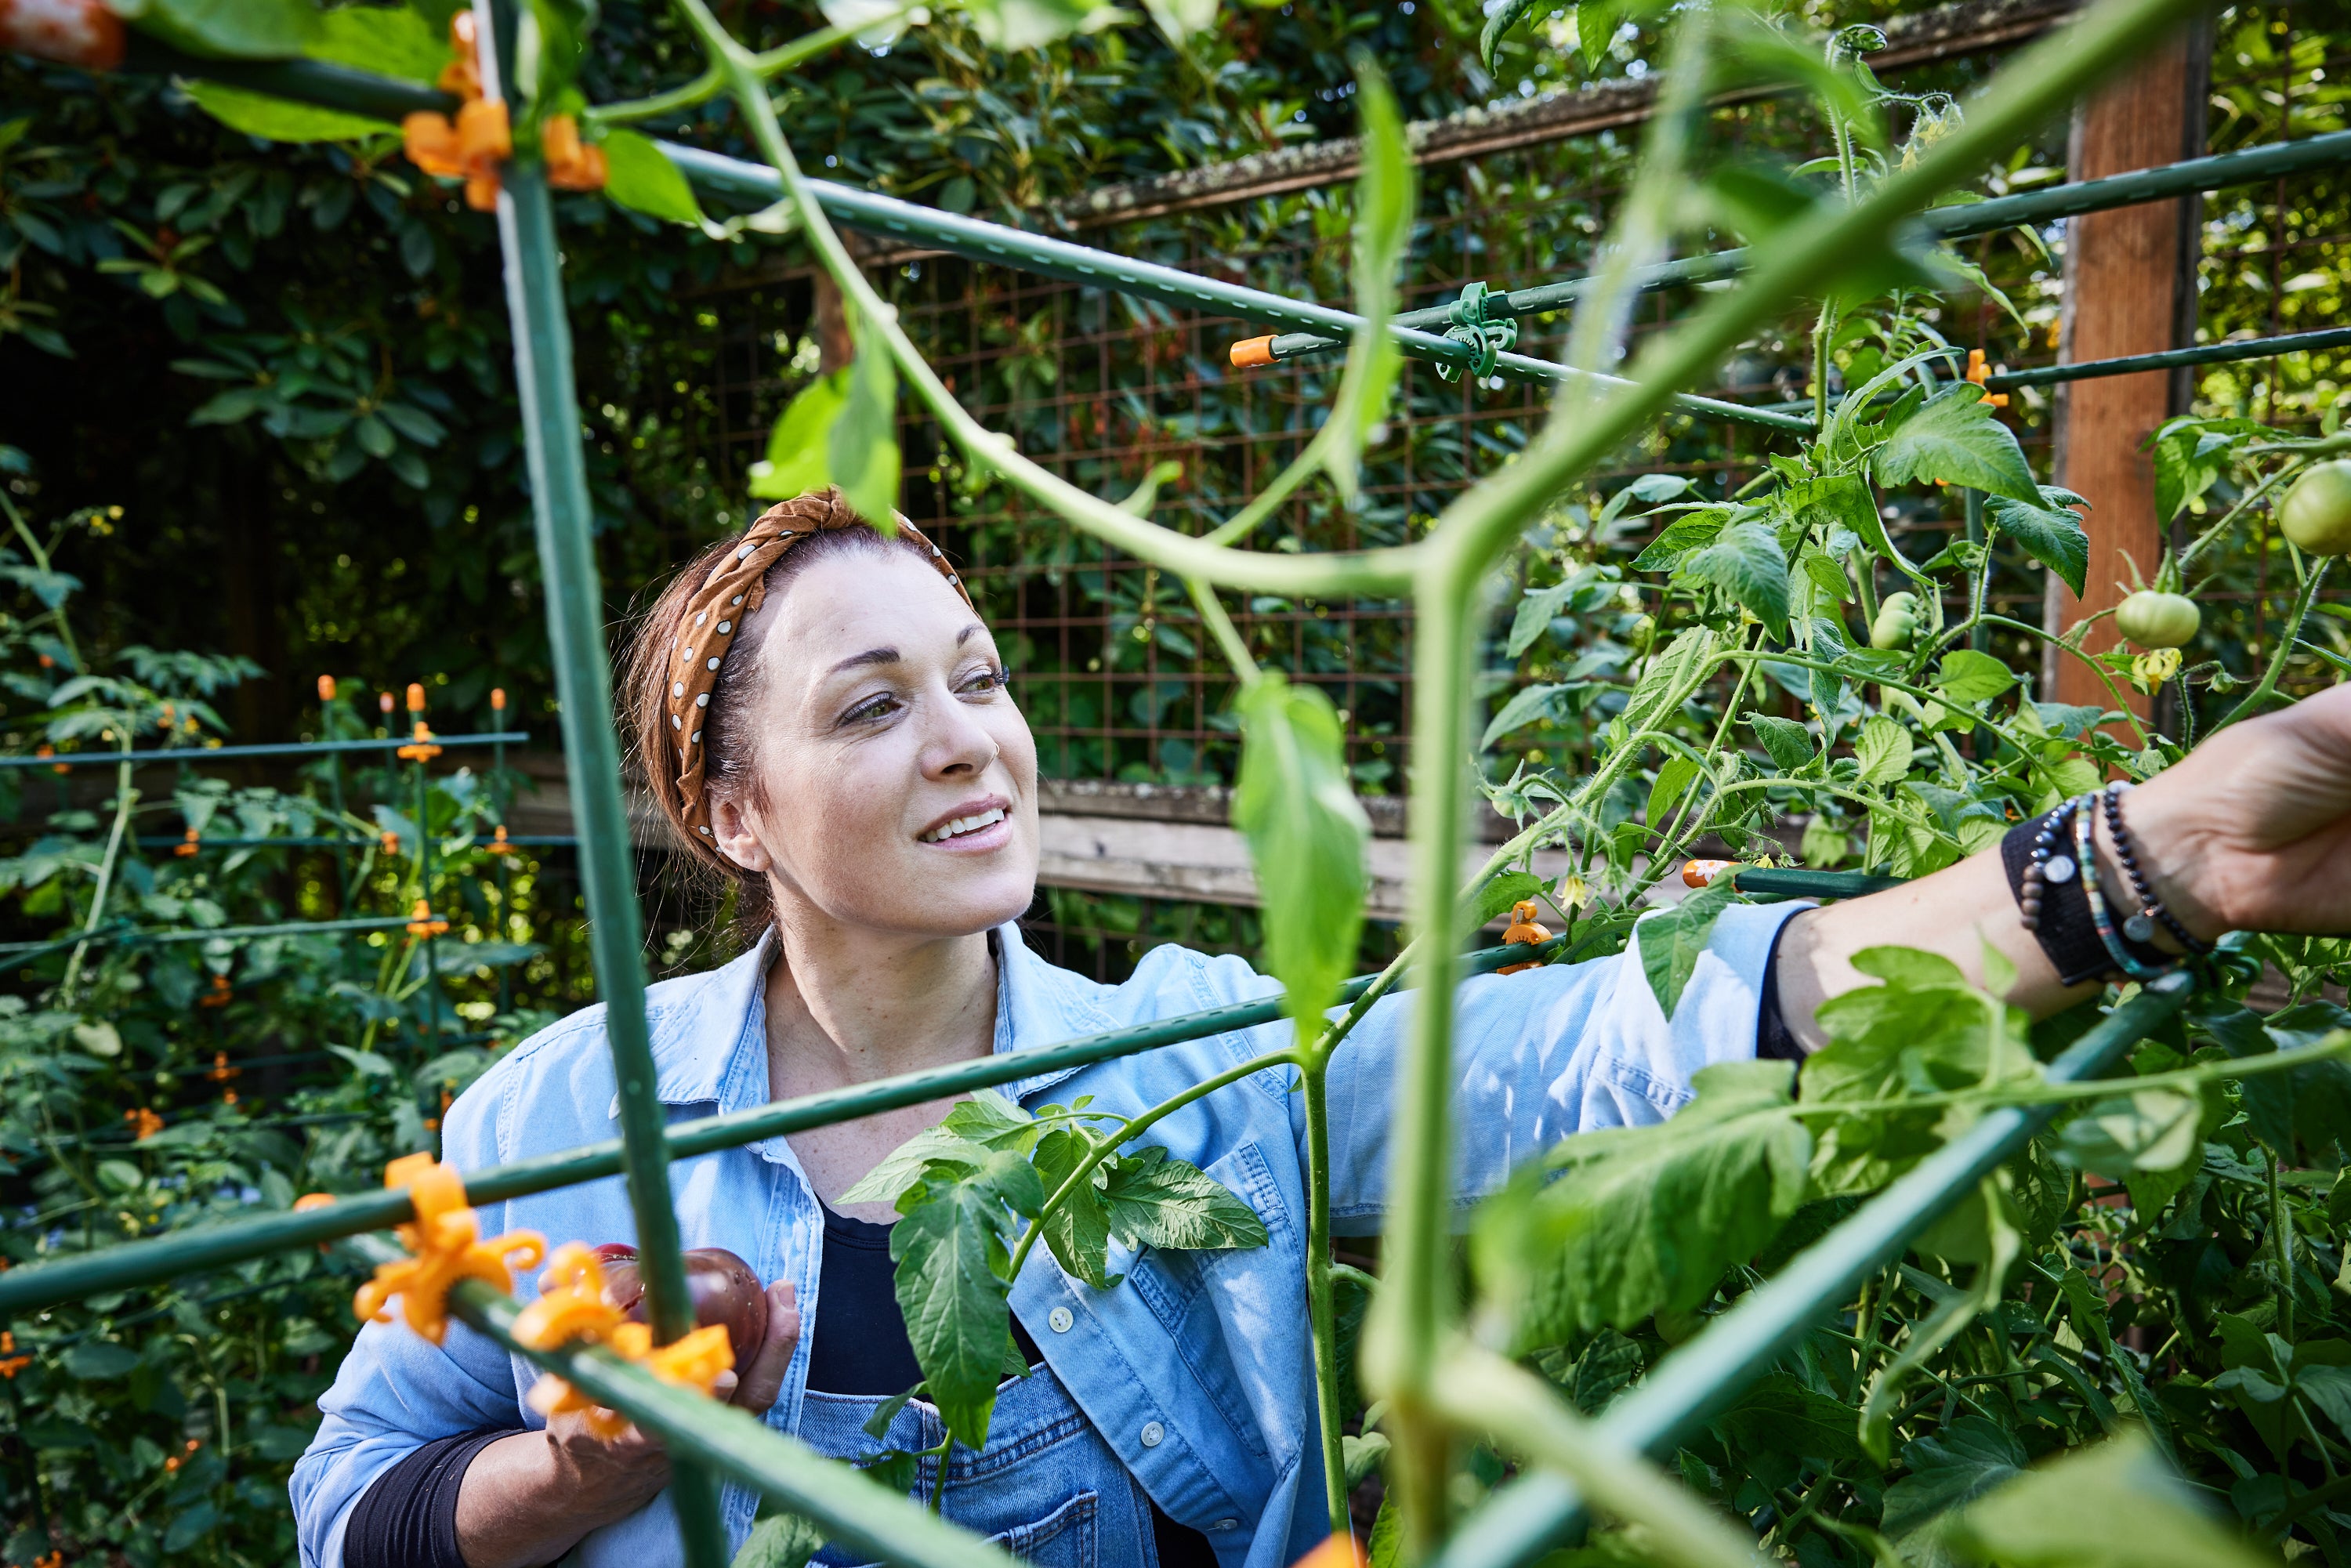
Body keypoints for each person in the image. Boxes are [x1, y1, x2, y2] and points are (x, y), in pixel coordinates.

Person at [292, 487, 2351, 1568]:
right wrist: (563, 1478)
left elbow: (1616, 1047)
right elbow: (353, 1511)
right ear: (730, 813)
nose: (973, 740)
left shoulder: (1186, 1061)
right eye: (871, 703)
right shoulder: (566, 1115)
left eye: (982, 674)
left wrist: (2149, 862)